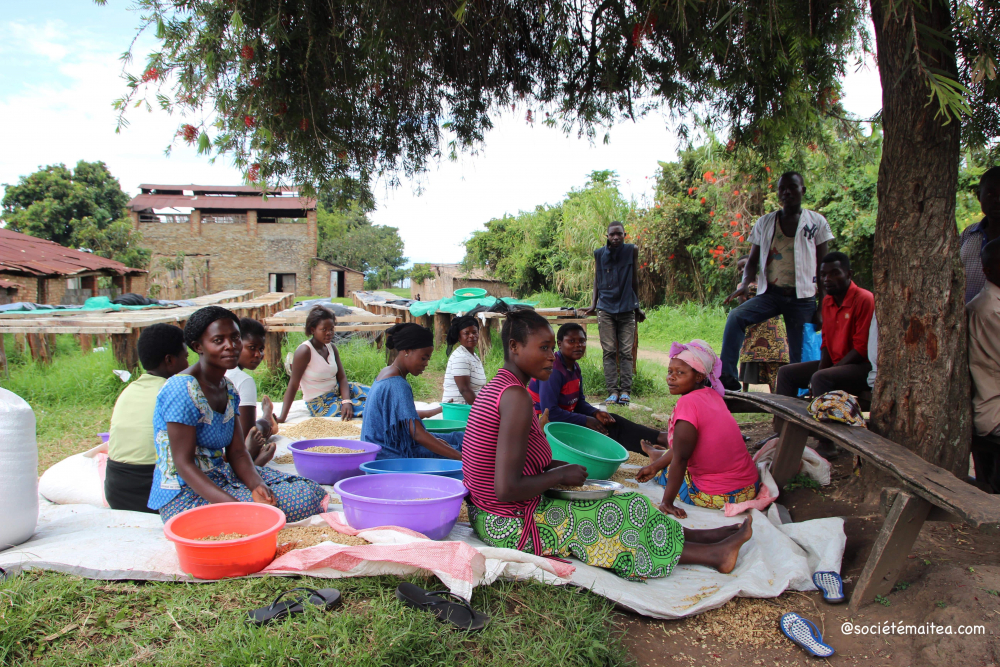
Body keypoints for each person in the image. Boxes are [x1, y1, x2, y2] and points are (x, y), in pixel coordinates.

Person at [462, 310, 753, 581]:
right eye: (543, 348)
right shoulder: (515, 397)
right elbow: (505, 488)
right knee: (609, 516)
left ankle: (697, 537)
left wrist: (556, 467)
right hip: (506, 523)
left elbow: (510, 462)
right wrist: (559, 476)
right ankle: (713, 554)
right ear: (514, 347)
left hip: (498, 510)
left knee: (628, 500)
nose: (551, 356)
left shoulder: (503, 388)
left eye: (551, 348)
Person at [147, 306, 327, 523]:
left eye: (235, 338)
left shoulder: (229, 389)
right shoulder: (182, 389)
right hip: (187, 496)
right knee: (301, 501)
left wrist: (256, 485)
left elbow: (239, 453)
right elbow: (184, 465)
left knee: (312, 490)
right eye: (218, 340)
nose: (230, 346)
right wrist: (234, 506)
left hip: (222, 476)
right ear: (198, 347)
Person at [720, 172, 833, 390]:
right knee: (736, 317)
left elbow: (823, 267)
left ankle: (797, 400)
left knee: (798, 356)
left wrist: (823, 306)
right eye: (782, 189)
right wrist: (744, 284)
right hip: (771, 294)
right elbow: (752, 261)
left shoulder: (816, 222)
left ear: (803, 190)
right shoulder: (765, 223)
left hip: (802, 298)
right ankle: (727, 378)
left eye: (792, 187)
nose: (787, 192)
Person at [634, 341, 761, 515]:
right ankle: (657, 459)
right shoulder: (712, 395)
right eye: (670, 372)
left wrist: (667, 503)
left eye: (680, 373)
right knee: (675, 456)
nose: (671, 377)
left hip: (719, 495)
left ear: (699, 376)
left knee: (670, 471)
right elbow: (686, 446)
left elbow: (681, 458)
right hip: (749, 488)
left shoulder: (687, 404)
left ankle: (656, 458)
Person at [527, 322, 670, 454]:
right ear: (560, 344)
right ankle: (656, 444)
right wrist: (586, 420)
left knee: (610, 421)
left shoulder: (574, 367)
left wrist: (595, 413)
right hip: (543, 426)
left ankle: (658, 440)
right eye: (571, 341)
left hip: (561, 419)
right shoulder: (554, 371)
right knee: (605, 431)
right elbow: (550, 412)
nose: (578, 345)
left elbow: (579, 402)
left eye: (582, 341)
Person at [104, 323, 189, 513]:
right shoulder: (174, 392)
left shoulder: (128, 390)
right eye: (185, 357)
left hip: (116, 491)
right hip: (155, 491)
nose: (188, 365)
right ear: (169, 360)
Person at [774, 252, 874, 400]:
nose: (828, 279)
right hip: (836, 364)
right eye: (823, 275)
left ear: (849, 274)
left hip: (861, 367)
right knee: (785, 373)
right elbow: (826, 343)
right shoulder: (828, 301)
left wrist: (829, 371)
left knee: (821, 378)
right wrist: (822, 368)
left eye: (834, 273)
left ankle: (822, 422)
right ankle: (783, 421)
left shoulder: (864, 299)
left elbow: (861, 348)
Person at [361, 323, 463, 460]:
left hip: (385, 446)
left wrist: (431, 414)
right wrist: (460, 457)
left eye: (428, 359)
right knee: (463, 448)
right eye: (423, 358)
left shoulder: (386, 372)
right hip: (390, 454)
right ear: (407, 351)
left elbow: (402, 417)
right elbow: (417, 434)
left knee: (458, 437)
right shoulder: (397, 384)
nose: (426, 363)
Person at [583, 220, 645, 406]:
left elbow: (634, 279)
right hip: (606, 309)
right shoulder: (599, 254)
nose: (616, 237)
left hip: (627, 308)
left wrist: (637, 305)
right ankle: (612, 391)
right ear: (607, 236)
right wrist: (593, 304)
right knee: (609, 351)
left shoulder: (631, 250)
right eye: (612, 234)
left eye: (619, 234)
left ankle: (626, 390)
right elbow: (597, 279)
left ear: (624, 235)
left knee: (626, 352)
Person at [275, 305, 368, 423]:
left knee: (373, 394)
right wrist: (282, 417)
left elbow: (342, 377)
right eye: (324, 329)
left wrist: (346, 401)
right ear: (312, 330)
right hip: (321, 403)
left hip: (336, 391)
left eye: (331, 329)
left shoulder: (331, 348)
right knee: (368, 407)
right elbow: (293, 385)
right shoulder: (304, 351)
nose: (329, 333)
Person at [225, 317, 277, 466]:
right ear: (236, 344)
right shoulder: (244, 380)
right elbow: (249, 437)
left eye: (261, 349)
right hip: (230, 455)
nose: (258, 355)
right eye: (252, 347)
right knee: (261, 425)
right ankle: (268, 419)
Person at [734, 255, 790, 392]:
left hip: (772, 326)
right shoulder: (741, 286)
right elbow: (742, 304)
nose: (742, 270)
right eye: (739, 268)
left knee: (774, 360)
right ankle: (745, 394)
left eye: (744, 266)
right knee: (749, 356)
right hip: (753, 326)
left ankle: (776, 394)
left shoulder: (768, 281)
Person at [960, 167, 1000, 304]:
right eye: (990, 194)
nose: (997, 200)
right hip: (966, 319)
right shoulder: (969, 233)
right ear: (979, 196)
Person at [441, 315, 487, 405]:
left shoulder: (474, 356)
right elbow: (464, 390)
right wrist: (482, 410)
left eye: (474, 332)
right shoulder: (460, 357)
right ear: (459, 337)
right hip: (459, 409)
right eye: (466, 333)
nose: (471, 336)